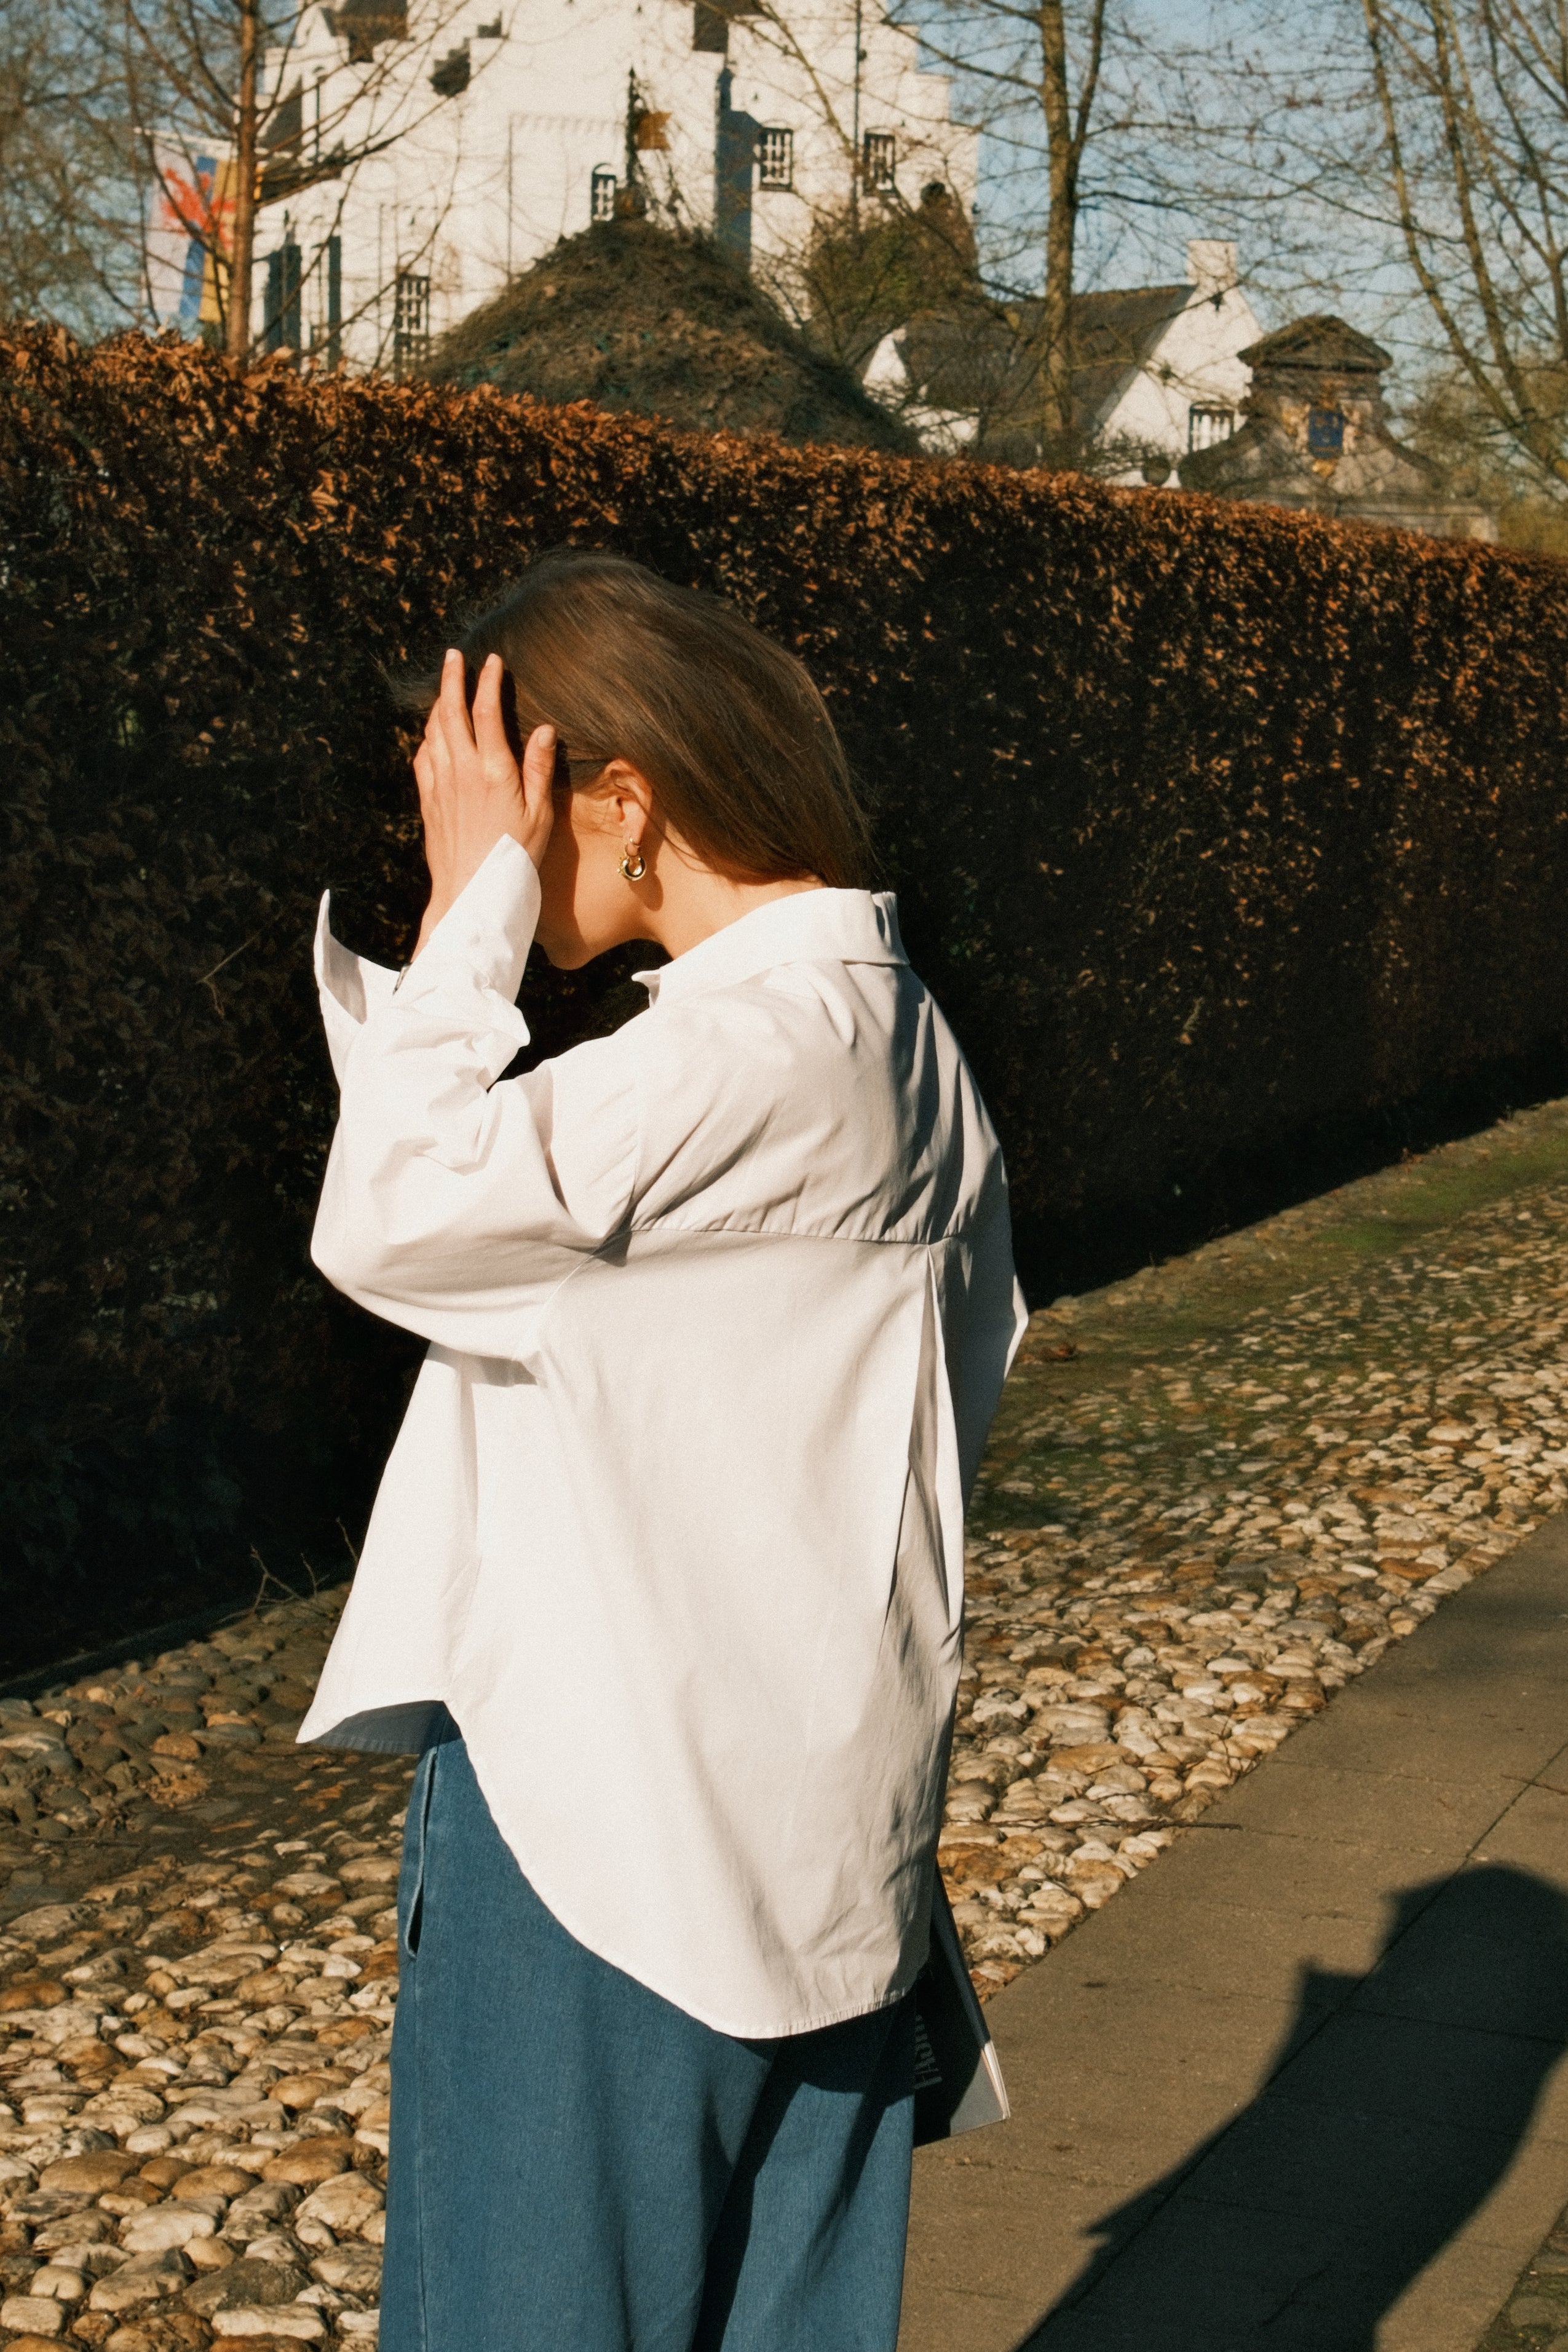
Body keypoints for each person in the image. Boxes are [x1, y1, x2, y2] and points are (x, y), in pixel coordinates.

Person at [299, 548, 1026, 2351]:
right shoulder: (902, 1044)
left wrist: (468, 922)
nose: (485, 855)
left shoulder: (739, 1054)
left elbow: (384, 1213)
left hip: (606, 1840)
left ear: (625, 801)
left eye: (509, 812)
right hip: (821, 1841)